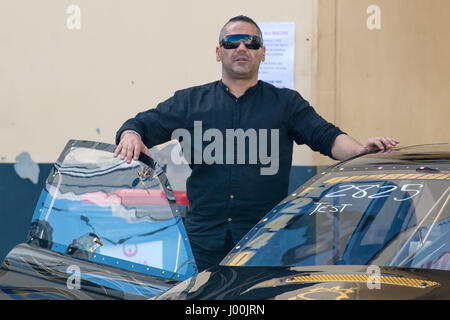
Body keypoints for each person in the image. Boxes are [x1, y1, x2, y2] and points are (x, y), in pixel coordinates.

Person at [114, 15, 399, 271]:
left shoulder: (286, 104)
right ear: (218, 52)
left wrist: (360, 150)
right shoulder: (190, 103)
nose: (241, 48)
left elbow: (326, 136)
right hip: (201, 242)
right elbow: (141, 124)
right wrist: (130, 134)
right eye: (232, 42)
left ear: (262, 53)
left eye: (251, 42)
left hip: (265, 243)